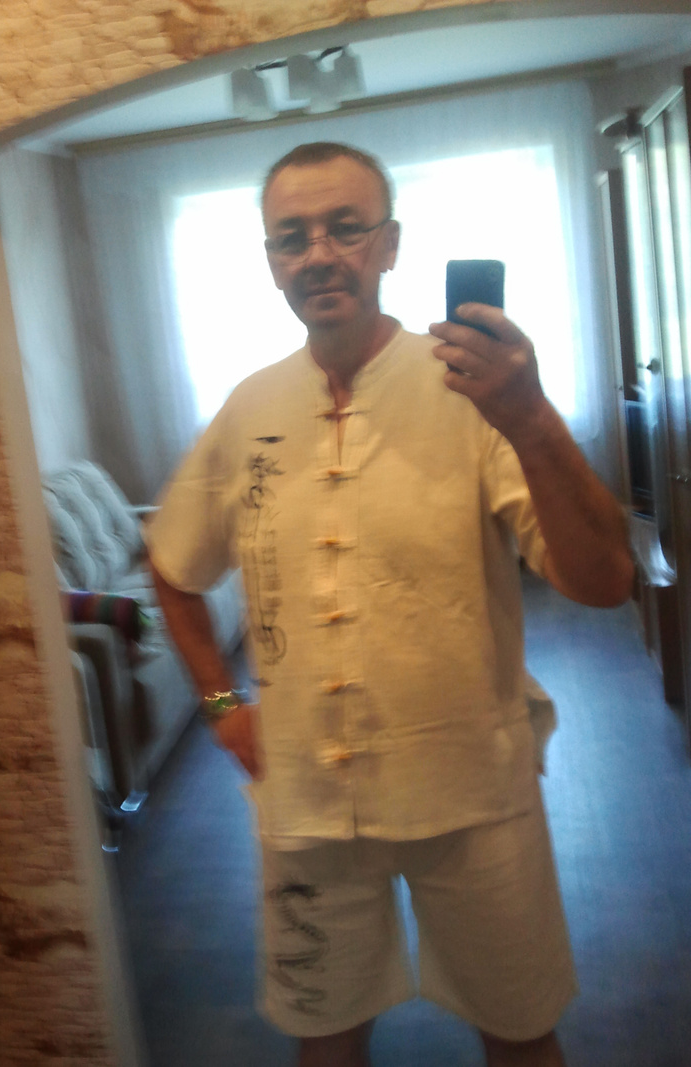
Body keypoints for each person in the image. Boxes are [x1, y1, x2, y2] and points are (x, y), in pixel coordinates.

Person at [144, 142, 634, 1067]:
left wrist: (530, 417)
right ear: (270, 261)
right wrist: (221, 704)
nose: (319, 254)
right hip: (305, 803)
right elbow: (171, 565)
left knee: (520, 1030)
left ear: (391, 244)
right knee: (324, 1036)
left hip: (471, 790)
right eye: (293, 237)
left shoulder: (473, 391)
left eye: (346, 228)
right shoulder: (249, 407)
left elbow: (604, 581)